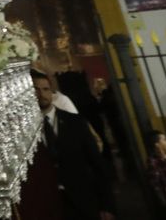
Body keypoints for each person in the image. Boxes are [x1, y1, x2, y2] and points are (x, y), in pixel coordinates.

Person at [31, 70, 113, 220]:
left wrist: (106, 205)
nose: (41, 94)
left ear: (52, 92)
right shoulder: (25, 129)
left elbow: (97, 163)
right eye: (35, 89)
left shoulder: (75, 122)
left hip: (83, 199)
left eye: (45, 89)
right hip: (50, 205)